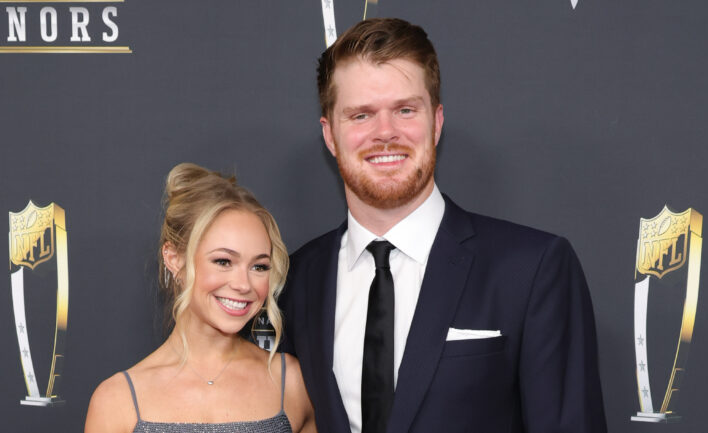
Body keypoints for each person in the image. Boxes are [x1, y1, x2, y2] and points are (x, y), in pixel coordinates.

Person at [279, 18, 607, 433]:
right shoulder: (295, 282)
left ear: (436, 122)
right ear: (330, 135)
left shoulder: (532, 269)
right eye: (361, 115)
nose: (385, 133)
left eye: (405, 110)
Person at [85, 163, 316, 433]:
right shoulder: (117, 401)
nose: (243, 285)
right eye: (223, 261)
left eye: (259, 266)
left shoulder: (293, 383)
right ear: (174, 260)